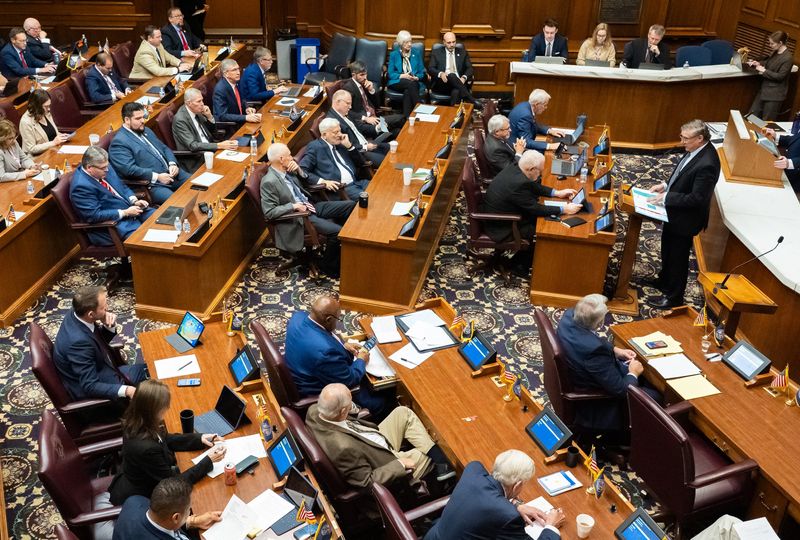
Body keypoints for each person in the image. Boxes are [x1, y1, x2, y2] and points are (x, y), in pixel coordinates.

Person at [305, 384, 454, 492]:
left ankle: (441, 462)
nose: (352, 404)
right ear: (343, 411)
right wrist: (400, 465)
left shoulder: (315, 411)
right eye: (350, 403)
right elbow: (366, 482)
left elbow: (345, 415)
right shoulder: (343, 448)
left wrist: (351, 408)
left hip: (371, 440)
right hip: (384, 461)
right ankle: (443, 477)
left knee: (403, 412)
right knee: (426, 454)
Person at [107, 379, 227, 506]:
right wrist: (208, 461)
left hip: (142, 478)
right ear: (153, 410)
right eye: (164, 406)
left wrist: (199, 439)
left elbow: (164, 438)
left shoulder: (136, 420)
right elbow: (173, 485)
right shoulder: (147, 449)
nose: (168, 408)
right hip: (142, 497)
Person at [644, 119, 720, 308]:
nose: (681, 141)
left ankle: (674, 297)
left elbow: (697, 198)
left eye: (686, 138)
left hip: (686, 219)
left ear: (700, 138)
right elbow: (683, 174)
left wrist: (666, 197)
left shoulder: (708, 164)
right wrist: (665, 185)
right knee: (667, 249)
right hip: (674, 214)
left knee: (678, 257)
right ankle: (664, 281)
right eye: (681, 136)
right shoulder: (695, 150)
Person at [285, 296, 392, 420]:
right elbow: (349, 380)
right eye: (338, 318)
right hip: (319, 391)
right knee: (384, 401)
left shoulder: (298, 317)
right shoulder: (326, 353)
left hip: (304, 368)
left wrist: (342, 345)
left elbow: (323, 336)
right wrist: (361, 360)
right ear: (328, 319)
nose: (338, 323)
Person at [556, 294, 647, 436]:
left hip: (579, 370)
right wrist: (633, 373)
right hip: (595, 405)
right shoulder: (595, 353)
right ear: (599, 323)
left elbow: (590, 338)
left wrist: (615, 350)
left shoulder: (568, 316)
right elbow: (621, 391)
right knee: (656, 397)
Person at [424, 450, 565, 540]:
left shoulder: (473, 469)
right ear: (517, 485)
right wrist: (551, 526)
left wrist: (515, 505)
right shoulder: (509, 517)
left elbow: (484, 499)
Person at [261, 143, 355, 275]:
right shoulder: (269, 182)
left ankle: (339, 251)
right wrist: (293, 206)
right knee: (337, 232)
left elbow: (306, 183)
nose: (292, 158)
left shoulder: (288, 170)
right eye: (289, 155)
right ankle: (328, 266)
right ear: (281, 159)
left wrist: (299, 171)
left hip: (311, 206)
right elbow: (269, 212)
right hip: (300, 217)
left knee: (351, 205)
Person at [481, 151, 580, 276]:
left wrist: (556, 193)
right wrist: (564, 209)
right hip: (501, 225)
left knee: (544, 221)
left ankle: (520, 262)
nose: (540, 174)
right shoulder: (518, 184)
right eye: (540, 171)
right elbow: (535, 209)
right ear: (532, 169)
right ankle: (519, 266)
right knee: (544, 231)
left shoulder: (517, 166)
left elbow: (532, 186)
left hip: (504, 212)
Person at [53, 285, 148, 402]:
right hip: (99, 386)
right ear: (91, 314)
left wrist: (108, 327)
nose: (107, 308)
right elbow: (90, 386)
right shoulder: (78, 343)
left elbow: (95, 343)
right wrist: (127, 390)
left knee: (152, 370)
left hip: (103, 367)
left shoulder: (78, 311)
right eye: (103, 307)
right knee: (153, 391)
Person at [70, 146, 154, 245]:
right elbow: (94, 215)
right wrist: (125, 212)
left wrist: (134, 201)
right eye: (103, 168)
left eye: (107, 165)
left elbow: (121, 186)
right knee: (149, 241)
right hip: (114, 225)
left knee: (162, 220)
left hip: (133, 210)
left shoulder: (104, 167)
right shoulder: (81, 187)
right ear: (89, 168)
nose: (107, 169)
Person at [109, 102, 190, 205]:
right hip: (153, 185)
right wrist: (157, 177)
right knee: (179, 203)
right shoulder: (119, 142)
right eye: (138, 118)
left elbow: (164, 148)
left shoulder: (146, 130)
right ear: (127, 120)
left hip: (173, 174)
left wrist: (172, 163)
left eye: (143, 117)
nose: (143, 121)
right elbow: (129, 170)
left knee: (202, 184)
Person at [112, 477, 222, 540]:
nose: (190, 512)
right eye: (189, 510)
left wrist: (192, 521)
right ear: (176, 517)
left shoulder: (135, 501)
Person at [299, 117, 370, 200]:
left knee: (379, 187)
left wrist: (349, 146)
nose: (340, 135)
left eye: (340, 131)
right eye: (335, 132)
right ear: (324, 135)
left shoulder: (340, 143)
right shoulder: (315, 147)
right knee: (370, 199)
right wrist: (323, 182)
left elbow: (361, 163)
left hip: (357, 182)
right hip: (341, 190)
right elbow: (302, 170)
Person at [172, 87, 238, 172]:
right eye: (199, 101)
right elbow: (193, 145)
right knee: (230, 169)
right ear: (189, 103)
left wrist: (209, 117)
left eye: (202, 100)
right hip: (197, 158)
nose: (202, 104)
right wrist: (219, 145)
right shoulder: (180, 120)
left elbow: (213, 133)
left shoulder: (197, 110)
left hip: (210, 149)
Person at [342, 60, 403, 139]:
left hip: (375, 117)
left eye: (366, 74)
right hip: (366, 123)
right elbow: (346, 111)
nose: (365, 77)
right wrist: (365, 118)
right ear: (353, 75)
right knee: (401, 119)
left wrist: (371, 90)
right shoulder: (348, 88)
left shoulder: (364, 83)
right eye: (362, 75)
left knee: (398, 131)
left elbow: (377, 105)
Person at [326, 89, 388, 167]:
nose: (350, 107)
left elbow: (360, 127)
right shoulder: (332, 122)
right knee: (387, 163)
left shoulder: (345, 112)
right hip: (360, 153)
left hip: (367, 144)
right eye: (348, 103)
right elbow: (343, 146)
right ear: (338, 102)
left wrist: (377, 128)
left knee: (391, 149)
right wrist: (365, 147)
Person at [747, 31, 793, 121]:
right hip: (764, 90)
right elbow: (769, 63)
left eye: (772, 43)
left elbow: (780, 76)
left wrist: (764, 70)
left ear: (780, 43)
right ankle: (753, 129)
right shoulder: (775, 52)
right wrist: (758, 63)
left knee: (767, 122)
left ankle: (759, 130)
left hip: (774, 95)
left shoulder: (788, 58)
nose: (770, 45)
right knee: (752, 117)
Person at [427, 32, 479, 108]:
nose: (452, 45)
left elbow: (470, 68)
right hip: (443, 84)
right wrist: (441, 74)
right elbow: (430, 68)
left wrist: (464, 78)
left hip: (459, 82)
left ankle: (453, 114)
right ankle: (471, 100)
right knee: (451, 75)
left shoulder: (463, 52)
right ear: (444, 42)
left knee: (456, 91)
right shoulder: (436, 53)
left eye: (453, 42)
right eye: (449, 42)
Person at [213, 58, 262, 129]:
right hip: (231, 127)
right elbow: (223, 116)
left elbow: (241, 99)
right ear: (226, 73)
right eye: (234, 70)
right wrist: (245, 117)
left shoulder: (236, 82)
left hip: (240, 121)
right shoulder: (220, 90)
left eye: (238, 69)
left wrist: (247, 108)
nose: (238, 72)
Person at [387, 30, 426, 118]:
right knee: (411, 84)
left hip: (413, 82)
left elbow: (422, 72)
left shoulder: (416, 53)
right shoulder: (394, 55)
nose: (409, 44)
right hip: (398, 81)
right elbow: (390, 74)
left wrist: (416, 77)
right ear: (401, 43)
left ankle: (406, 119)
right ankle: (420, 110)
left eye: (410, 41)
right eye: (406, 42)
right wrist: (402, 76)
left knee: (408, 91)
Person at [19, 89, 69, 156]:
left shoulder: (45, 113)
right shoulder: (25, 122)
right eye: (46, 106)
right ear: (36, 106)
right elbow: (31, 149)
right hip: (39, 157)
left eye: (49, 105)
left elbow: (52, 133)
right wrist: (53, 143)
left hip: (54, 151)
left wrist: (62, 136)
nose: (49, 109)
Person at [764, 124, 800, 192]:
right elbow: (794, 139)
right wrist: (776, 136)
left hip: (795, 179)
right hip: (786, 169)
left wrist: (790, 163)